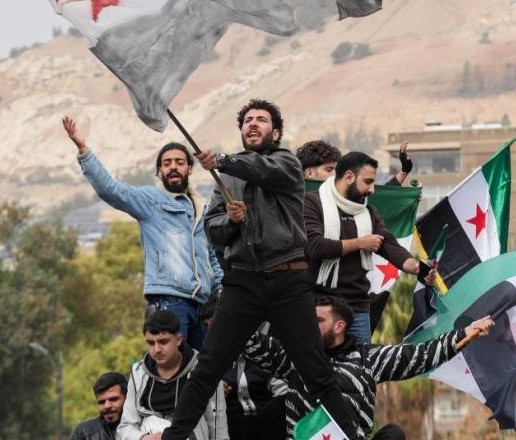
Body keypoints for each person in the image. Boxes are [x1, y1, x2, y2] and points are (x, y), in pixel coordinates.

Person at [160, 99, 360, 440]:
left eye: (261, 120)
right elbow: (213, 229)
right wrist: (232, 221)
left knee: (317, 374)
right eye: (248, 120)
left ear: (275, 132)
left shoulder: (286, 164)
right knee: (207, 368)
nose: (253, 124)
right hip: (243, 285)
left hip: (287, 282)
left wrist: (223, 160)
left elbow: (261, 171)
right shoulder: (226, 177)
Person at [63, 116, 222, 349]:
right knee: (174, 370)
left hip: (202, 306)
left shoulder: (201, 209)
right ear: (159, 171)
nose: (173, 167)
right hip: (171, 301)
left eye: (179, 162)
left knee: (203, 373)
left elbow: (210, 260)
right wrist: (83, 150)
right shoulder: (151, 201)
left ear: (190, 168)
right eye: (167, 163)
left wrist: (221, 292)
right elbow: (111, 190)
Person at [244, 295, 495, 440]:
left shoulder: (368, 358)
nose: (310, 325)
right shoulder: (295, 355)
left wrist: (467, 333)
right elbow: (254, 344)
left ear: (339, 326)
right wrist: (232, 310)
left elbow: (420, 355)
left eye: (318, 320)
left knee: (393, 434)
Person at [305, 151, 435, 343]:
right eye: (368, 182)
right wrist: (360, 243)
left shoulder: (368, 211)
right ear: (349, 177)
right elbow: (314, 246)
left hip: (357, 310)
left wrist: (416, 267)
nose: (372, 189)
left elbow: (389, 245)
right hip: (319, 308)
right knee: (317, 370)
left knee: (359, 370)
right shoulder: (312, 203)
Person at [118, 310, 228, 440]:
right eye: (151, 343)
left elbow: (217, 425)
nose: (157, 349)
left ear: (179, 339)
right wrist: (144, 438)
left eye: (163, 342)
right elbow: (125, 427)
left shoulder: (203, 371)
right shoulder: (138, 373)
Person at [199, 295, 286, 440]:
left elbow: (282, 394)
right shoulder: (212, 357)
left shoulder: (267, 350)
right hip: (231, 424)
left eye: (215, 326)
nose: (211, 333)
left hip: (266, 423)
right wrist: (218, 391)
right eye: (207, 326)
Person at [70, 372, 128, 440]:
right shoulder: (83, 432)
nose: (107, 406)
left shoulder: (142, 429)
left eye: (113, 399)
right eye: (101, 402)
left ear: (128, 398)